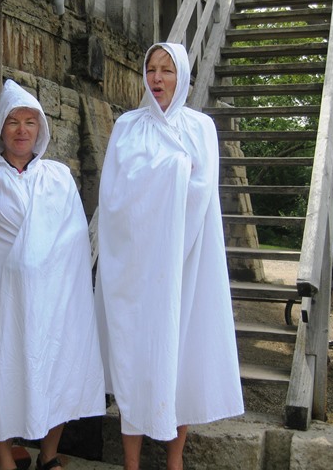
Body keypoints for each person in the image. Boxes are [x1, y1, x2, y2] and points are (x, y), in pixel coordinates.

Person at [94, 42, 244, 470]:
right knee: (134, 359)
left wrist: (166, 181)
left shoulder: (200, 128)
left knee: (178, 357)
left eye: (167, 70)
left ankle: (174, 460)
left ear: (182, 76)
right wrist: (170, 176)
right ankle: (131, 462)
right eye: (151, 69)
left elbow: (200, 193)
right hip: (135, 266)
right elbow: (115, 195)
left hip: (184, 261)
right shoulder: (127, 126)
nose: (157, 78)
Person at [0, 79, 105, 470]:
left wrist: (48, 276)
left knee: (57, 368)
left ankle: (49, 455)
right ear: (0, 129)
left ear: (41, 129)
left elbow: (71, 245)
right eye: (13, 122)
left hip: (53, 300)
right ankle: (6, 458)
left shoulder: (58, 178)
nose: (22, 130)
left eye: (30, 122)